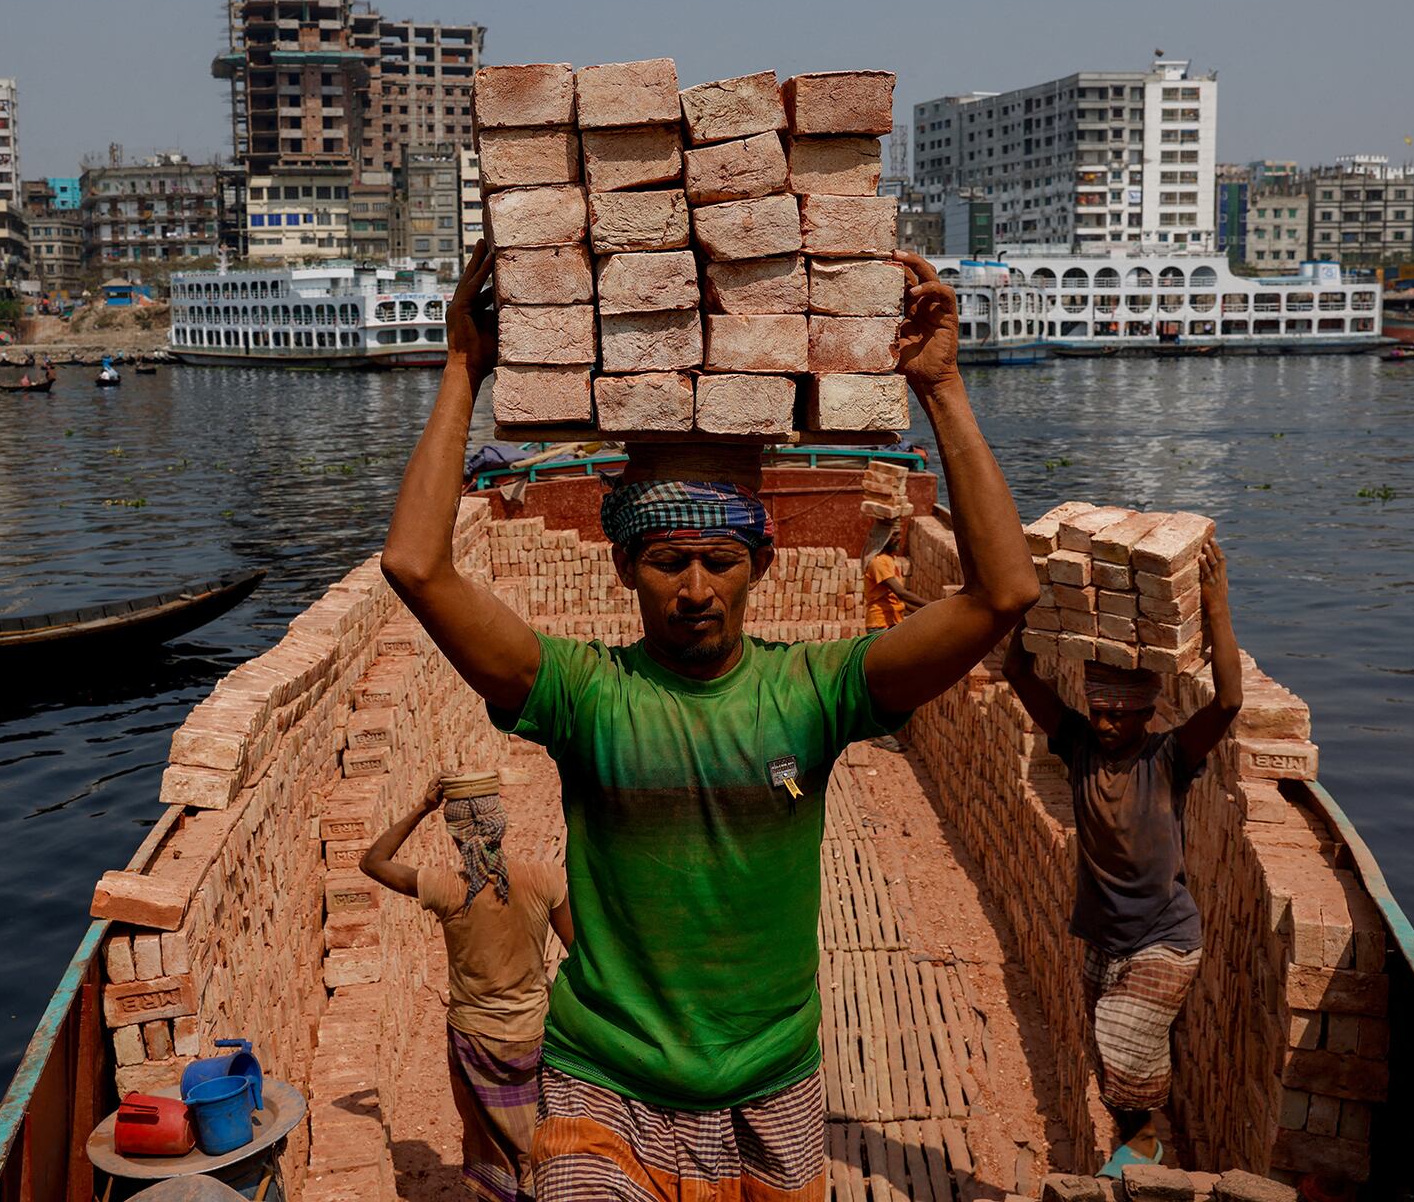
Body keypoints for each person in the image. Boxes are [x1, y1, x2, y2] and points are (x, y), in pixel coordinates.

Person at [380, 241, 1039, 1200]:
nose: (695, 590)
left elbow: (1003, 593)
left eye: (720, 562)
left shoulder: (818, 695)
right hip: (604, 1077)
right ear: (623, 569)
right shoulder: (580, 696)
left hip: (773, 1087)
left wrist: (942, 392)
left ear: (760, 568)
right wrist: (461, 371)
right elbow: (417, 568)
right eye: (666, 562)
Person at [1000, 539, 1241, 1178]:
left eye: (1121, 715)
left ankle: (1145, 1144)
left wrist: (1217, 606)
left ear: (1146, 712)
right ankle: (1142, 1149)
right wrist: (1038, 598)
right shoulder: (1077, 745)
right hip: (1104, 939)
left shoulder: (1167, 760)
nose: (1106, 724)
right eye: (1100, 711)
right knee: (1111, 1067)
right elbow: (1019, 673)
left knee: (1125, 1030)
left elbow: (1228, 704)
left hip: (1165, 938)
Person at [361, 779, 574, 1202]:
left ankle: (501, 1190)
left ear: (454, 836)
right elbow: (578, 951)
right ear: (503, 827)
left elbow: (373, 862)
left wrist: (422, 806)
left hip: (473, 1038)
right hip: (532, 1032)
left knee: (488, 1139)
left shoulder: (445, 888)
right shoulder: (544, 879)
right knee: (536, 1129)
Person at [863, 521, 929, 630]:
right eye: (894, 534)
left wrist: (926, 612)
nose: (899, 538)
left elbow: (899, 600)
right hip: (880, 624)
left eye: (899, 534)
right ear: (884, 537)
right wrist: (934, 606)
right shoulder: (878, 563)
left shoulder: (889, 559)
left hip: (893, 621)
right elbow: (901, 593)